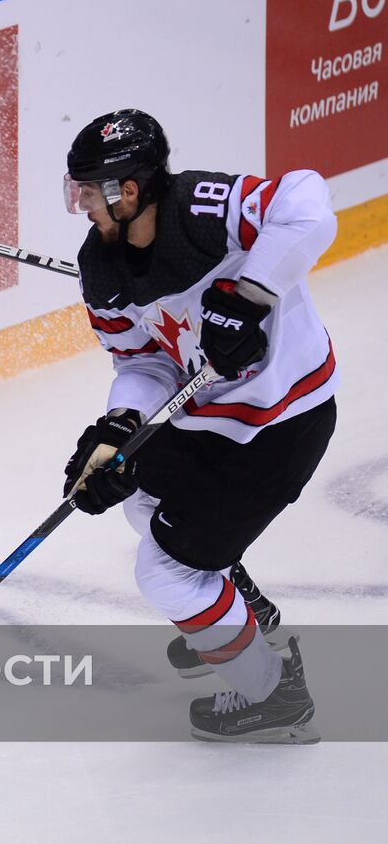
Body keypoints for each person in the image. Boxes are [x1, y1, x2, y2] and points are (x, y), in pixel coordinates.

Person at [61, 109, 337, 743]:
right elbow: (142, 360)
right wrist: (118, 428)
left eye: (85, 190)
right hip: (207, 421)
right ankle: (244, 613)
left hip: (283, 422)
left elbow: (309, 203)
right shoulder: (101, 265)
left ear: (127, 191)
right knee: (138, 494)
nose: (79, 204)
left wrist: (249, 295)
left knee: (163, 573)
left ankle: (275, 698)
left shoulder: (206, 209)